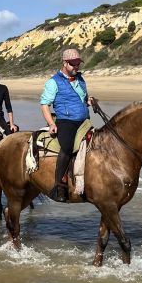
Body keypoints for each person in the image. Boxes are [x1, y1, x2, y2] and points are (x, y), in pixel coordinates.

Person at [40, 48, 95, 202]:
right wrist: (51, 124)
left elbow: (82, 100)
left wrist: (89, 101)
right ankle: (59, 185)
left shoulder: (80, 79)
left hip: (84, 121)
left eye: (78, 63)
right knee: (67, 148)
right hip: (66, 121)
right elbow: (45, 105)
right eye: (73, 64)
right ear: (65, 63)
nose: (76, 66)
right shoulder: (53, 82)